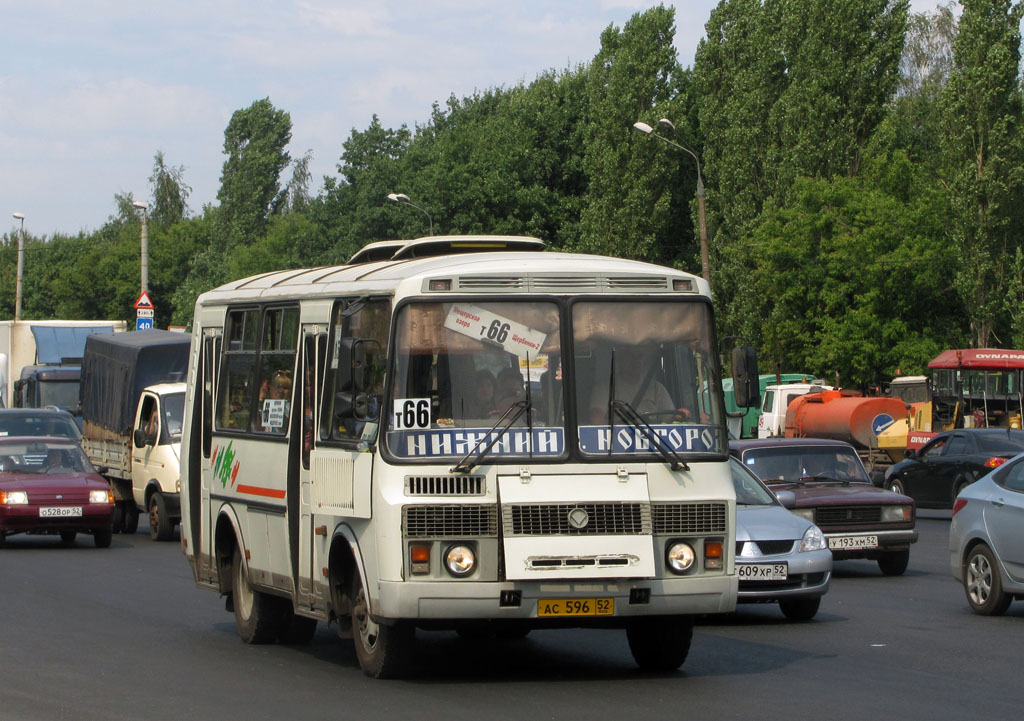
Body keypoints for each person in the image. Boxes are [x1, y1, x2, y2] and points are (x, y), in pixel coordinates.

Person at [588, 346, 676, 424]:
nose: (635, 361)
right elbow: (597, 417)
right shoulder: (605, 387)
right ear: (620, 360)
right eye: (630, 356)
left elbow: (669, 420)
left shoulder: (657, 388)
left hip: (652, 439)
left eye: (639, 357)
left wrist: (678, 416)